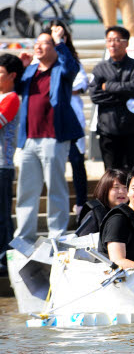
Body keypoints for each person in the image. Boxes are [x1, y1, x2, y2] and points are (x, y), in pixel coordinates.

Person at [14, 26, 83, 243]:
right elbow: (15, 90)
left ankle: (57, 237)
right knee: (26, 191)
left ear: (54, 48)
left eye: (45, 43)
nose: (38, 46)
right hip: (29, 139)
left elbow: (72, 67)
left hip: (53, 137)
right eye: (37, 42)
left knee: (56, 188)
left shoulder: (62, 69)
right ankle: (24, 239)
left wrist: (60, 41)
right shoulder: (29, 70)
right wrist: (21, 66)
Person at [89, 26, 134, 171]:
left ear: (126, 43)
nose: (112, 44)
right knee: (113, 175)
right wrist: (124, 94)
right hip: (108, 130)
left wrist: (108, 86)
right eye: (109, 40)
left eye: (117, 40)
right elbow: (95, 95)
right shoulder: (100, 68)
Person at [47, 21, 89, 216]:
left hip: (71, 117)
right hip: (49, 120)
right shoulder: (40, 63)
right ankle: (57, 207)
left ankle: (82, 203)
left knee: (76, 160)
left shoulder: (71, 60)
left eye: (60, 35)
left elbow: (79, 82)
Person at [0, 53, 23, 275]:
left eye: (1, 73)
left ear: (12, 76)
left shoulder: (12, 98)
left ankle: (5, 259)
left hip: (3, 165)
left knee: (2, 215)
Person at [75, 168, 128, 236]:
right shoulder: (94, 214)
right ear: (105, 190)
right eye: (116, 187)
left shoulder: (132, 211)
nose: (122, 192)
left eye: (125, 188)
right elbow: (83, 242)